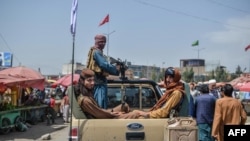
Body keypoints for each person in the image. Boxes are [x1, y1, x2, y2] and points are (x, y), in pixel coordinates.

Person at [86, 34, 120, 109]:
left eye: (104, 42)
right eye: (101, 42)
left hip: (99, 81)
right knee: (100, 105)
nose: (103, 44)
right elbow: (103, 64)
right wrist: (116, 69)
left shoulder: (96, 52)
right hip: (99, 82)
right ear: (97, 42)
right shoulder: (96, 52)